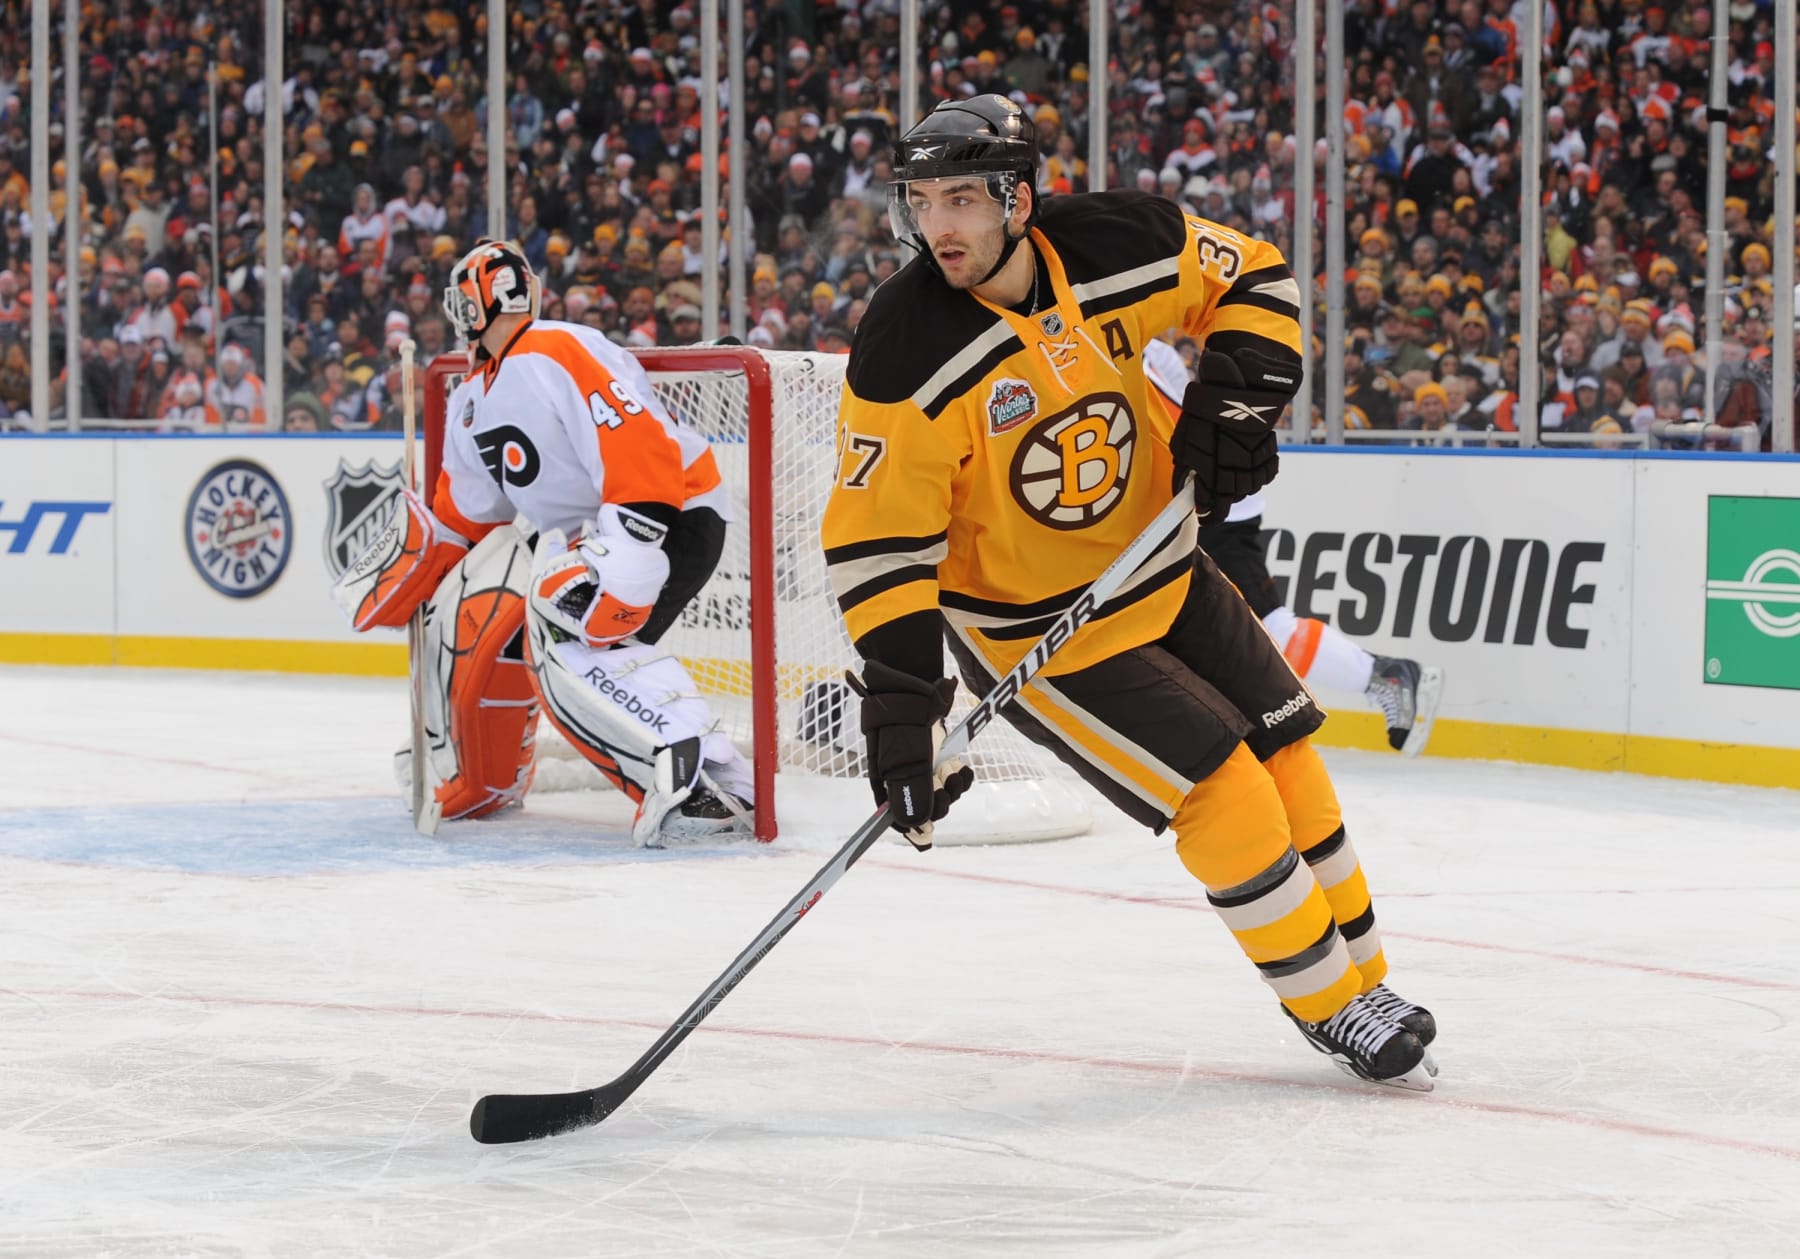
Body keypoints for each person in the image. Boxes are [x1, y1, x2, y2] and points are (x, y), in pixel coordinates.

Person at [821, 96, 1436, 1090]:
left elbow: (1252, 275)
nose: (940, 227)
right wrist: (901, 706)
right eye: (921, 201)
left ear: (1019, 198)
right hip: (1042, 628)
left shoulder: (1118, 240)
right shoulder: (903, 343)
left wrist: (1234, 397)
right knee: (1225, 792)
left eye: (965, 200)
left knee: (1289, 757)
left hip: (1163, 562)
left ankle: (1369, 981)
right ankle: (1331, 1006)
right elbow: (878, 540)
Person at [331, 240, 753, 843]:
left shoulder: (557, 347)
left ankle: (713, 787)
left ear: (473, 302)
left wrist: (632, 541)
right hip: (602, 536)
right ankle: (483, 777)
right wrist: (412, 573)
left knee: (567, 627)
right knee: (494, 626)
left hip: (671, 514)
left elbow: (634, 438)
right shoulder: (473, 399)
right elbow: (464, 514)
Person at [1142, 334, 1445, 757]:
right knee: (1203, 625)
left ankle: (1385, 675)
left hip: (1208, 496)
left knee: (1263, 625)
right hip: (1198, 493)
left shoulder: (1125, 347)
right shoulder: (1146, 347)